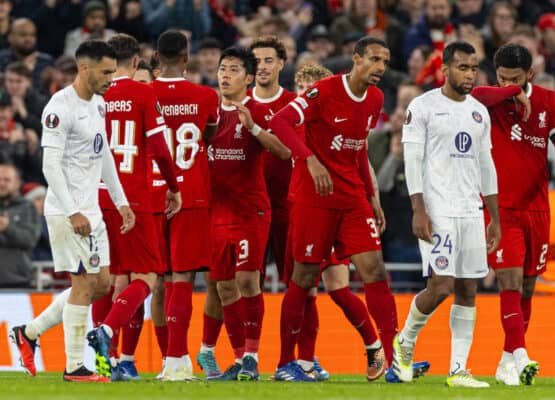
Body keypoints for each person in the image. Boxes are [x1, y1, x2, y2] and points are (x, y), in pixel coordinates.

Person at [270, 36, 398, 381]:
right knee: (306, 278)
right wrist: (309, 159)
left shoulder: (375, 99)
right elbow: (279, 122)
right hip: (313, 199)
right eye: (374, 59)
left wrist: (372, 196)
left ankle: (393, 359)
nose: (380, 68)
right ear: (356, 59)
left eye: (384, 62)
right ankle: (285, 363)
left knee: (374, 270)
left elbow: (356, 149)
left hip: (352, 197)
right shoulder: (323, 91)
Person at [10, 40, 135, 382]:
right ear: (85, 68)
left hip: (92, 210)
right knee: (84, 285)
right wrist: (71, 212)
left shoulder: (99, 104)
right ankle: (75, 367)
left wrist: (121, 200)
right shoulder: (59, 107)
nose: (112, 78)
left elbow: (104, 154)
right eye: (106, 72)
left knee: (102, 285)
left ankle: (29, 333)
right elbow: (50, 167)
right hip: (68, 212)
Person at [470, 43, 555, 385]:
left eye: (515, 79)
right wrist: (510, 92)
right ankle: (521, 354)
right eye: (502, 77)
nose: (507, 83)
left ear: (530, 74)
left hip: (537, 206)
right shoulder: (492, 100)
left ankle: (507, 361)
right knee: (510, 280)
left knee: (529, 287)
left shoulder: (548, 100)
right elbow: (474, 95)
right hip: (501, 208)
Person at [391, 41, 499, 388]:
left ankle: (457, 369)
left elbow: (486, 166)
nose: (470, 74)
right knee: (440, 287)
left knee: (468, 288)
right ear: (445, 69)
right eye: (463, 67)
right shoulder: (422, 107)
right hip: (438, 210)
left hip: (471, 210)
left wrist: (493, 216)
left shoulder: (479, 112)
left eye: (474, 68)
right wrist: (418, 209)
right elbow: (412, 162)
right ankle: (404, 343)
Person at [89, 33, 181, 381]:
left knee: (109, 279)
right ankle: (107, 332)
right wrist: (173, 187)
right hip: (133, 199)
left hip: (96, 197)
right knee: (147, 275)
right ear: (137, 62)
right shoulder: (144, 93)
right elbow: (159, 149)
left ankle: (107, 361)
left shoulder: (95, 94)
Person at [208, 46, 290, 381]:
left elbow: (285, 152)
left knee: (247, 281)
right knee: (224, 288)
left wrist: (254, 128)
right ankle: (241, 360)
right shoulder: (208, 113)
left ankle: (254, 356)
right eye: (222, 68)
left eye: (233, 69)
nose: (225, 75)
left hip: (251, 211)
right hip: (215, 212)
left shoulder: (257, 111)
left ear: (249, 78)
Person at [150, 29, 219, 381]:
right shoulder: (207, 96)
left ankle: (166, 359)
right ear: (187, 57)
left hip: (151, 193)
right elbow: (210, 133)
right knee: (183, 278)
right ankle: (178, 360)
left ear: (156, 57)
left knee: (154, 280)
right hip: (191, 193)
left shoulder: (145, 94)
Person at [0, 163, 41, 288]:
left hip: (18, 282)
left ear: (17, 183)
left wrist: (8, 228)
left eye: (6, 180)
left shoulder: (28, 208)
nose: (1, 183)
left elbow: (30, 240)